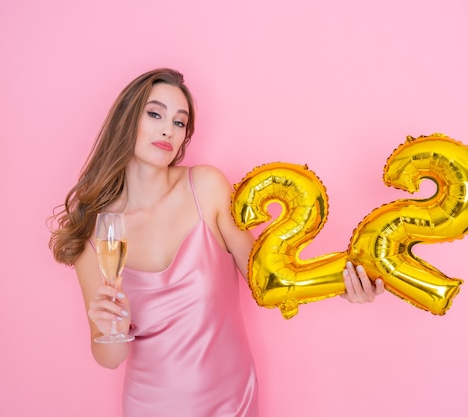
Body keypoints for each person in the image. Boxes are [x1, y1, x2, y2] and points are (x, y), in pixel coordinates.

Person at [49, 68, 385, 417]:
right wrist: (113, 328)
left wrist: (339, 284)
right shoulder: (96, 231)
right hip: (151, 406)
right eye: (154, 114)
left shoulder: (206, 188)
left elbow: (266, 281)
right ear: (126, 119)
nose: (168, 129)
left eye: (180, 123)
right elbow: (109, 358)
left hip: (230, 402)